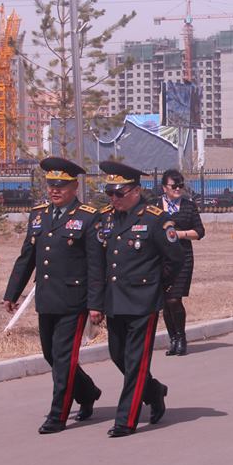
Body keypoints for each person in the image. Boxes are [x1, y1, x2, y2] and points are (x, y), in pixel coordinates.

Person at [3, 157, 103, 434]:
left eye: (61, 185)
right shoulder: (39, 215)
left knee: (63, 358)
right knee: (52, 355)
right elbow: (27, 258)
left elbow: (96, 266)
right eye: (51, 185)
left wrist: (96, 304)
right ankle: (88, 392)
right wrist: (12, 293)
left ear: (74, 186)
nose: (54, 190)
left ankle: (58, 414)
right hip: (47, 298)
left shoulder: (87, 216)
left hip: (74, 300)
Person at [97, 161, 184, 437]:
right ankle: (154, 390)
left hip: (143, 300)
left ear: (136, 191)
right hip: (115, 299)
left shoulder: (155, 218)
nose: (113, 198)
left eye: (118, 193)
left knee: (135, 361)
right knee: (117, 355)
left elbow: (175, 258)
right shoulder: (108, 217)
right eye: (109, 193)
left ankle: (126, 419)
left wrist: (159, 287)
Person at [159, 169, 205, 357]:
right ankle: (173, 339)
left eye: (180, 185)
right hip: (160, 259)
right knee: (164, 301)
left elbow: (200, 232)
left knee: (174, 299)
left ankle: (181, 337)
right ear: (164, 187)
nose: (178, 189)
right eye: (173, 186)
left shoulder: (188, 206)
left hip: (182, 258)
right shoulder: (154, 205)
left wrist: (181, 234)